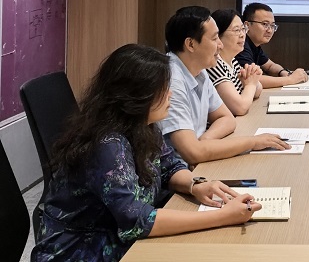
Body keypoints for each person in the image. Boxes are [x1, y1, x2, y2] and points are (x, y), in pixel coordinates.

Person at [31, 44, 262, 262]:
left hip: (119, 238)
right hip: (82, 250)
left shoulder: (142, 124)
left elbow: (169, 165)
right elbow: (136, 220)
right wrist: (223, 217)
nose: (170, 94)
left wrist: (196, 185)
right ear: (136, 95)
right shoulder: (108, 144)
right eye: (162, 89)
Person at [160, 6, 289, 166]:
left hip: (199, 162)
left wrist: (205, 141)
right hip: (177, 172)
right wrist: (253, 142)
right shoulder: (171, 79)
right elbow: (193, 153)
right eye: (215, 38)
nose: (220, 45)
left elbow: (227, 118)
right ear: (191, 44)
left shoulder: (200, 70)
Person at [235, 2, 308, 88]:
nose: (270, 30)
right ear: (247, 25)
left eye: (272, 25)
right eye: (265, 24)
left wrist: (283, 72)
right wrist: (290, 79)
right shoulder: (241, 45)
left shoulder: (254, 45)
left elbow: (270, 66)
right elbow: (251, 79)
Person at [206, 9, 263, 116]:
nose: (242, 35)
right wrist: (250, 84)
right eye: (236, 30)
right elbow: (240, 108)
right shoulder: (214, 64)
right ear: (218, 35)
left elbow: (257, 91)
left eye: (243, 29)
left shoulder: (232, 60)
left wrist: (252, 80)